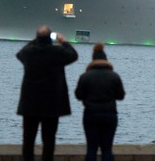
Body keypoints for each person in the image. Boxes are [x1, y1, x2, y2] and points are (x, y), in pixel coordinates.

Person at [16, 26, 79, 161]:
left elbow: (19, 53)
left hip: (30, 105)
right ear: (50, 37)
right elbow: (74, 55)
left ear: (37, 38)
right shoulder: (58, 52)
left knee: (28, 140)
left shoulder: (29, 53)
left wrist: (35, 40)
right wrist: (63, 41)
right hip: (51, 105)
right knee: (49, 140)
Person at [75, 42, 125, 161]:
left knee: (91, 148)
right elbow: (121, 96)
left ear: (92, 60)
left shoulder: (85, 76)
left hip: (91, 114)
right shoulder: (114, 76)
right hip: (109, 114)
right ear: (106, 60)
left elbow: (78, 95)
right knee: (107, 148)